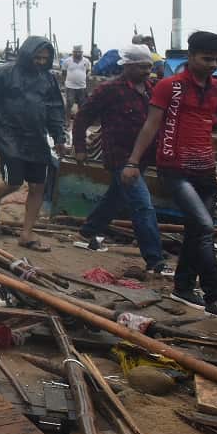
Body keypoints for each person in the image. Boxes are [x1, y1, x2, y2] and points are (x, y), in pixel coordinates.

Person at [124, 31, 217, 317]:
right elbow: (151, 125)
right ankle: (215, 298)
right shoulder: (169, 86)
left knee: (197, 230)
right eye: (207, 58)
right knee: (205, 228)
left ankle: (182, 287)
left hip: (205, 170)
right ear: (191, 56)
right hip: (174, 169)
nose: (212, 64)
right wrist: (133, 162)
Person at [73, 44, 169, 275]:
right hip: (120, 156)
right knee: (142, 205)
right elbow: (83, 116)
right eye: (142, 67)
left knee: (116, 198)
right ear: (127, 66)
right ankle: (155, 260)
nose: (148, 71)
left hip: (143, 156)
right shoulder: (109, 89)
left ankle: (89, 230)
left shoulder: (151, 89)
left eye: (149, 66)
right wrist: (79, 147)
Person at [0, 36, 67, 251]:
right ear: (27, 54)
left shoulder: (49, 79)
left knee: (38, 186)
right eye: (37, 58)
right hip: (8, 135)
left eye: (45, 59)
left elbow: (55, 109)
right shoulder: (5, 74)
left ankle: (26, 233)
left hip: (36, 137)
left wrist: (59, 137)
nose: (41, 62)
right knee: (14, 181)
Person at [61, 45, 93, 117]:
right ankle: (67, 121)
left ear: (82, 52)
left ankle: (79, 120)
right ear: (73, 52)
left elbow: (87, 71)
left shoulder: (86, 61)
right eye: (76, 52)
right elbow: (64, 73)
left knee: (82, 105)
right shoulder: (67, 61)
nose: (78, 54)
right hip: (70, 86)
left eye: (79, 52)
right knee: (69, 103)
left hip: (82, 87)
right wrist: (64, 83)